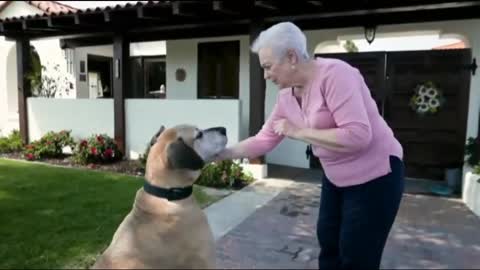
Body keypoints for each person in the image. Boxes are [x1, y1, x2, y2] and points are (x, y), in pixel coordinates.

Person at [215, 21, 405, 270]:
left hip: (376, 174)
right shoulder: (287, 97)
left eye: (268, 67)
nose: (266, 75)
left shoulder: (336, 74)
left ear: (292, 57)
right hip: (337, 176)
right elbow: (264, 139)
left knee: (356, 255)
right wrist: (217, 155)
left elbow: (358, 135)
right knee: (328, 244)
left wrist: (299, 132)